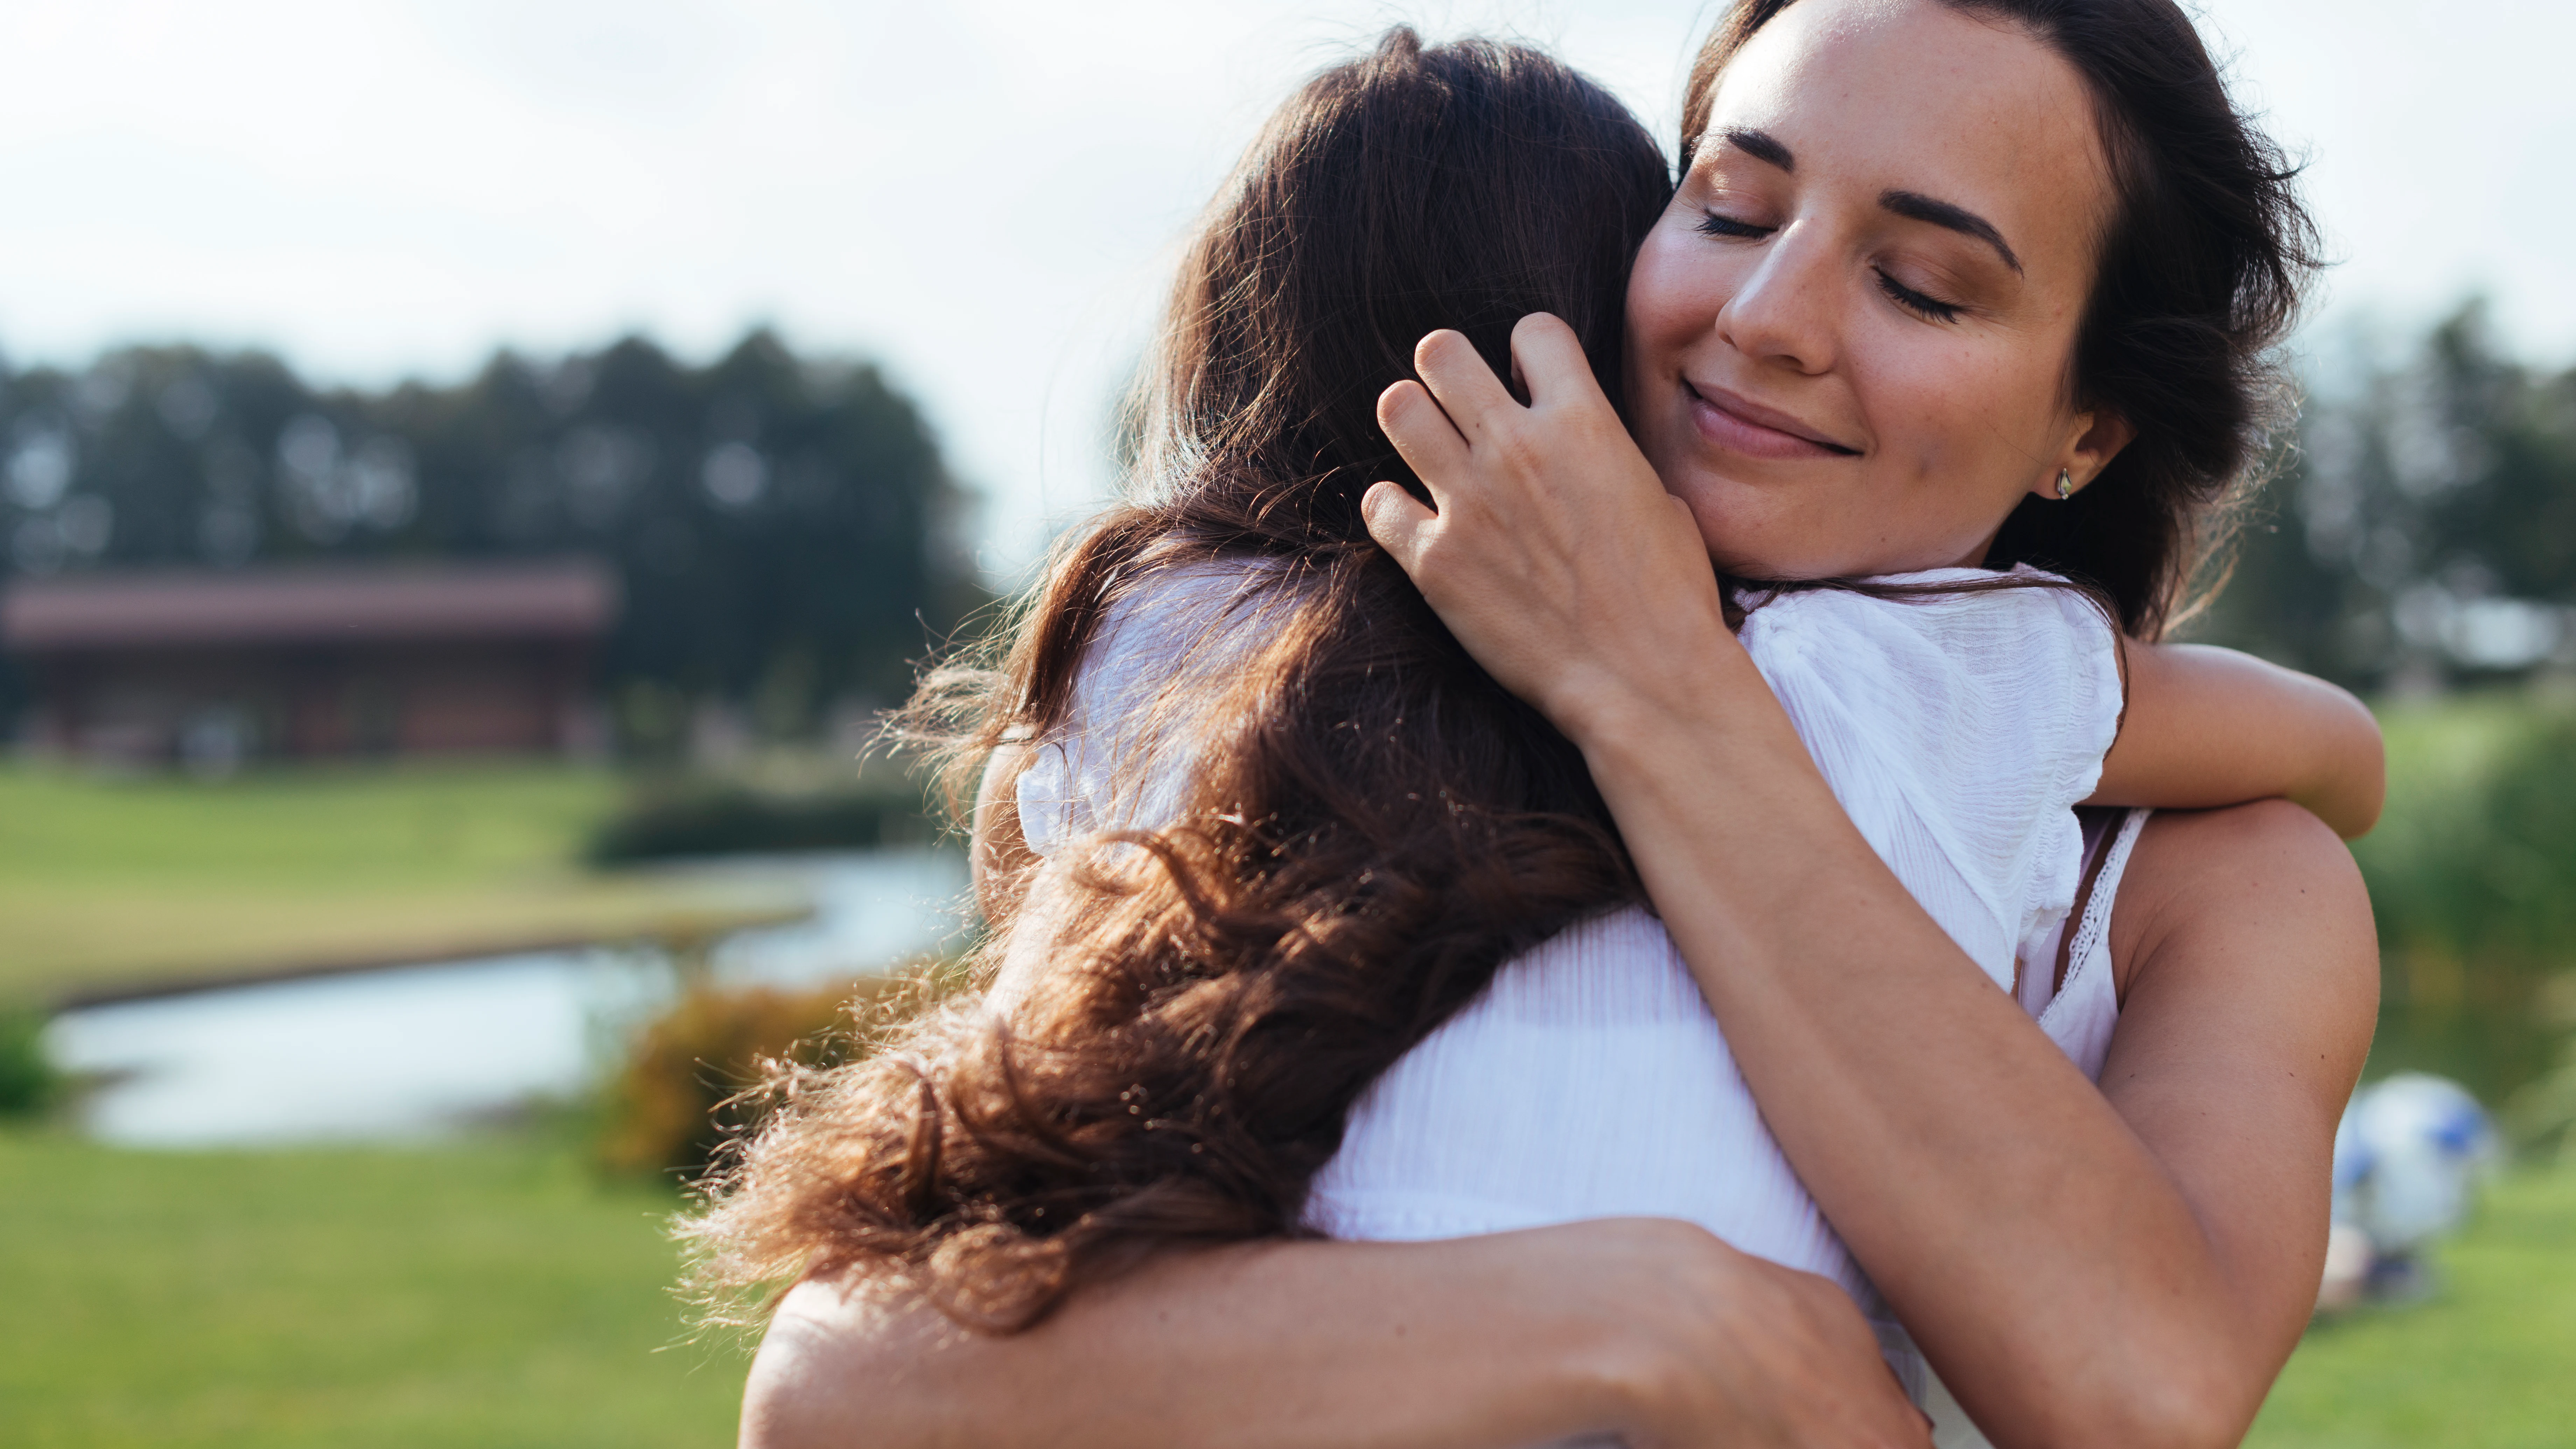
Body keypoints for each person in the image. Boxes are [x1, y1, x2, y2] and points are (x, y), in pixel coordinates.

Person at [722, 5, 2381, 1446]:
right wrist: (1645, 1323)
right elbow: (846, 1386)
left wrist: (1653, 683)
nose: (1768, 319)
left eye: (1926, 287)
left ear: (2083, 431)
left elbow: (2138, 1400)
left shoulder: (2210, 880)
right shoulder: (1317, 720)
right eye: (1729, 208)